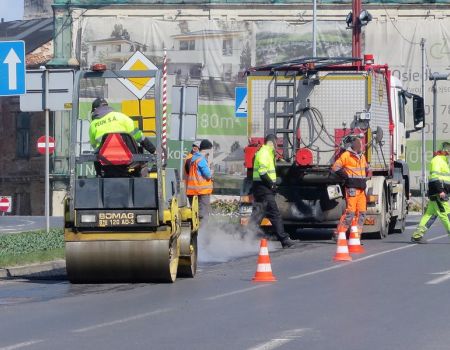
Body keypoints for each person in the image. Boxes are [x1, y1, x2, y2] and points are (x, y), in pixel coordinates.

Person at [249, 134, 295, 249]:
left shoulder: (266, 152)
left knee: (258, 214)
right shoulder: (264, 152)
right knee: (274, 214)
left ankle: (244, 236)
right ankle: (284, 239)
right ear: (272, 142)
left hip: (260, 187)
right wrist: (272, 184)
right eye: (276, 144)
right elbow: (263, 171)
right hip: (264, 188)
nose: (276, 147)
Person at [332, 134, 369, 241]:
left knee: (361, 213)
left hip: (361, 189)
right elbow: (335, 167)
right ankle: (339, 233)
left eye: (360, 143)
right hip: (352, 188)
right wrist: (347, 178)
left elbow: (366, 168)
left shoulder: (362, 156)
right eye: (358, 143)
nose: (360, 145)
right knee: (350, 213)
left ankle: (356, 236)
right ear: (353, 144)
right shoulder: (346, 155)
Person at [411, 142, 450, 243]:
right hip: (439, 194)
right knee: (446, 215)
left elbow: (444, 179)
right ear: (446, 151)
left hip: (438, 194)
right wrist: (440, 191)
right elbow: (434, 178)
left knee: (429, 215)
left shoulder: (444, 161)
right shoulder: (437, 160)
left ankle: (417, 236)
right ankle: (417, 236)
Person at [89, 98, 155, 153]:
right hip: (128, 159)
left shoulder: (93, 124)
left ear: (95, 110)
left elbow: (95, 146)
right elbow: (139, 136)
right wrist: (153, 150)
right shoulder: (122, 116)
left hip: (106, 162)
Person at [186, 139, 213, 220]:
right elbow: (207, 175)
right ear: (207, 149)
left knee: (194, 215)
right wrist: (211, 171)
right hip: (201, 191)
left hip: (192, 191)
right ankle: (202, 231)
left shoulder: (193, 158)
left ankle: (194, 231)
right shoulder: (201, 159)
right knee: (203, 215)